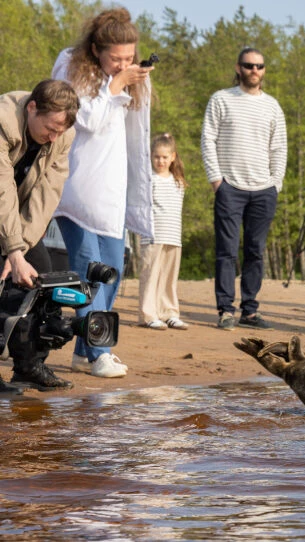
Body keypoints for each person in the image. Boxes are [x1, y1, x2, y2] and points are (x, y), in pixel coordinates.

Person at [52, 7, 154, 378]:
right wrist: (116, 85)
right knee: (88, 271)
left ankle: (84, 351)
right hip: (75, 190)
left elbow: (137, 139)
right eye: (116, 58)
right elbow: (87, 121)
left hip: (111, 194)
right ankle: (99, 352)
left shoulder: (128, 79)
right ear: (96, 49)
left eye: (129, 58)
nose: (123, 64)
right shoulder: (72, 67)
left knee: (112, 271)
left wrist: (130, 82)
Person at [0, 80, 79, 392]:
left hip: (16, 216)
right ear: (32, 107)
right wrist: (13, 251)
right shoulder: (3, 120)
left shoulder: (63, 133)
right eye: (50, 128)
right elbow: (2, 189)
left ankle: (29, 365)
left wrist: (23, 246)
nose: (54, 137)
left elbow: (47, 194)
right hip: (4, 203)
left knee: (42, 278)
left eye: (61, 131)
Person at [202, 47, 287, 331]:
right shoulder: (221, 99)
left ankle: (249, 311)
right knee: (226, 252)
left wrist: (276, 183)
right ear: (238, 68)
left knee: (255, 251)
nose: (255, 71)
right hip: (230, 188)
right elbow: (208, 139)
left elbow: (279, 147)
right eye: (249, 65)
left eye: (260, 66)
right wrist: (217, 181)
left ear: (264, 71)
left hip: (264, 189)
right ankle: (225, 310)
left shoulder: (272, 105)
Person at [138, 133, 189, 331]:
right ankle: (148, 314)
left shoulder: (178, 182)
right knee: (150, 276)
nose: (160, 161)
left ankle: (169, 312)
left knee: (169, 277)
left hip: (173, 236)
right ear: (151, 157)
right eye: (157, 157)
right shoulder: (148, 180)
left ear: (173, 157)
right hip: (152, 236)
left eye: (164, 157)